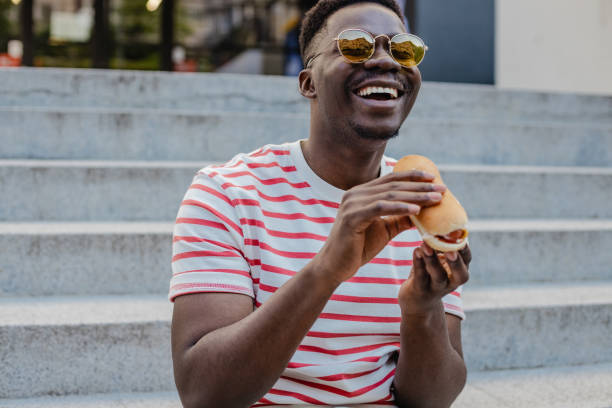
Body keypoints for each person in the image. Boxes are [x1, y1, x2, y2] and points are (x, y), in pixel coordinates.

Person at [170, 1, 471, 407]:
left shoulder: (420, 201)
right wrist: (327, 269)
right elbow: (204, 393)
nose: (385, 60)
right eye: (355, 46)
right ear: (308, 82)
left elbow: (431, 400)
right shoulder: (227, 193)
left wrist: (422, 310)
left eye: (403, 50)